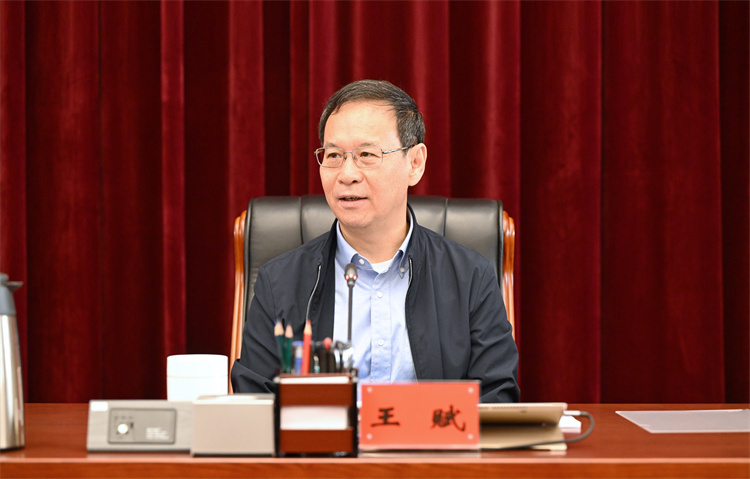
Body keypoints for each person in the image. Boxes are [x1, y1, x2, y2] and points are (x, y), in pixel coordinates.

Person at [231, 79, 519, 402]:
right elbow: (253, 404)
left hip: (431, 437)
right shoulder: (280, 283)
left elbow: (497, 400)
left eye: (366, 154)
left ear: (415, 163)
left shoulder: (471, 278)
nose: (347, 174)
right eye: (334, 155)